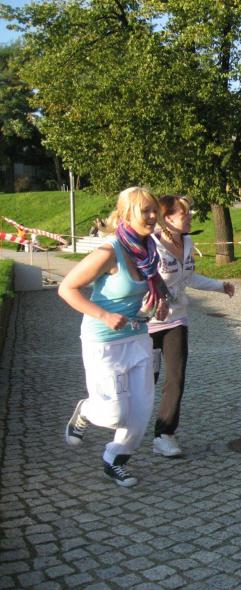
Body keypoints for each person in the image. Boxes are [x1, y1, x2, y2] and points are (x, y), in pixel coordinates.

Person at [61, 187, 169, 486]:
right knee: (113, 414)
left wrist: (160, 304)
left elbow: (154, 287)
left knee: (140, 410)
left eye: (154, 210)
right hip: (103, 341)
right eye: (145, 211)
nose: (152, 216)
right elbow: (66, 288)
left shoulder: (149, 250)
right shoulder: (109, 252)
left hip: (138, 337)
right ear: (125, 214)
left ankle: (115, 459)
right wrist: (104, 315)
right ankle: (85, 410)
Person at [146, 195, 234, 457]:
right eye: (184, 214)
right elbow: (141, 279)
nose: (190, 218)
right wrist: (153, 303)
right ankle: (122, 424)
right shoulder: (150, 244)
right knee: (146, 380)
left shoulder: (186, 242)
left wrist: (219, 286)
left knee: (176, 378)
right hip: (148, 323)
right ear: (167, 218)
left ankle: (164, 434)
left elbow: (190, 277)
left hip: (176, 319)